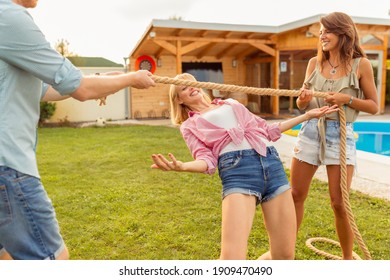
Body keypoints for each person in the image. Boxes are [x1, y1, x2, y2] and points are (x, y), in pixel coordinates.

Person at [0, 0, 155, 260]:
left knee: (7, 258)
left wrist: (105, 82)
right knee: (52, 260)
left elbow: (46, 89)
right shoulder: (9, 16)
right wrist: (131, 78)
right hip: (8, 168)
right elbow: (80, 87)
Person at [150, 73, 338, 260]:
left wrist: (307, 116)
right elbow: (206, 161)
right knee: (232, 259)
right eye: (183, 87)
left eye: (192, 83)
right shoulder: (190, 125)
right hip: (239, 173)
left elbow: (267, 129)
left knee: (284, 256)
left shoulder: (232, 104)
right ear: (178, 99)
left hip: (272, 166)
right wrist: (182, 166)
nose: (191, 88)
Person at [290, 12, 378, 260]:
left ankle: (347, 260)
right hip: (310, 131)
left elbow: (374, 106)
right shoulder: (313, 63)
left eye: (327, 31)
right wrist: (302, 100)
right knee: (295, 195)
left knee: (339, 203)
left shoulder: (361, 65)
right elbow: (302, 106)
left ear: (343, 33)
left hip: (340, 135)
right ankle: (286, 254)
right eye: (320, 31)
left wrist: (346, 99)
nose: (322, 35)